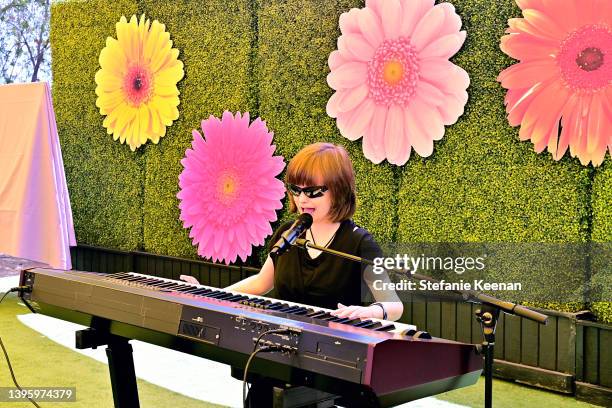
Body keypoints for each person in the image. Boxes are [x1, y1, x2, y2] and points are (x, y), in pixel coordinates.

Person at [183, 142, 403, 405]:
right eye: (296, 190)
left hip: (332, 362)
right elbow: (262, 282)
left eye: (313, 192)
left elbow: (394, 305)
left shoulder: (359, 243)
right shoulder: (290, 233)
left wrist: (370, 312)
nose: (302, 200)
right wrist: (209, 294)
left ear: (339, 190)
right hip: (279, 349)